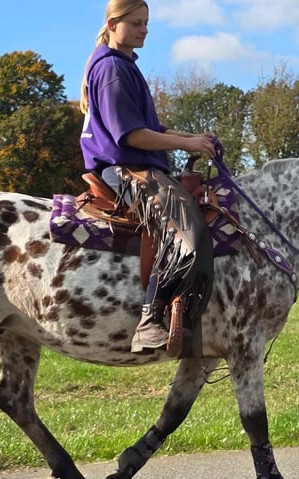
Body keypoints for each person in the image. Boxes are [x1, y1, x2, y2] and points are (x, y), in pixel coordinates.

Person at [79, 0, 215, 355]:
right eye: (137, 23)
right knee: (189, 230)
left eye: (147, 23)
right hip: (124, 168)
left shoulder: (124, 65)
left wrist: (191, 139)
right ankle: (149, 317)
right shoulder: (111, 69)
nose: (144, 30)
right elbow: (131, 136)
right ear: (113, 23)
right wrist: (186, 141)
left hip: (137, 165)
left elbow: (151, 129)